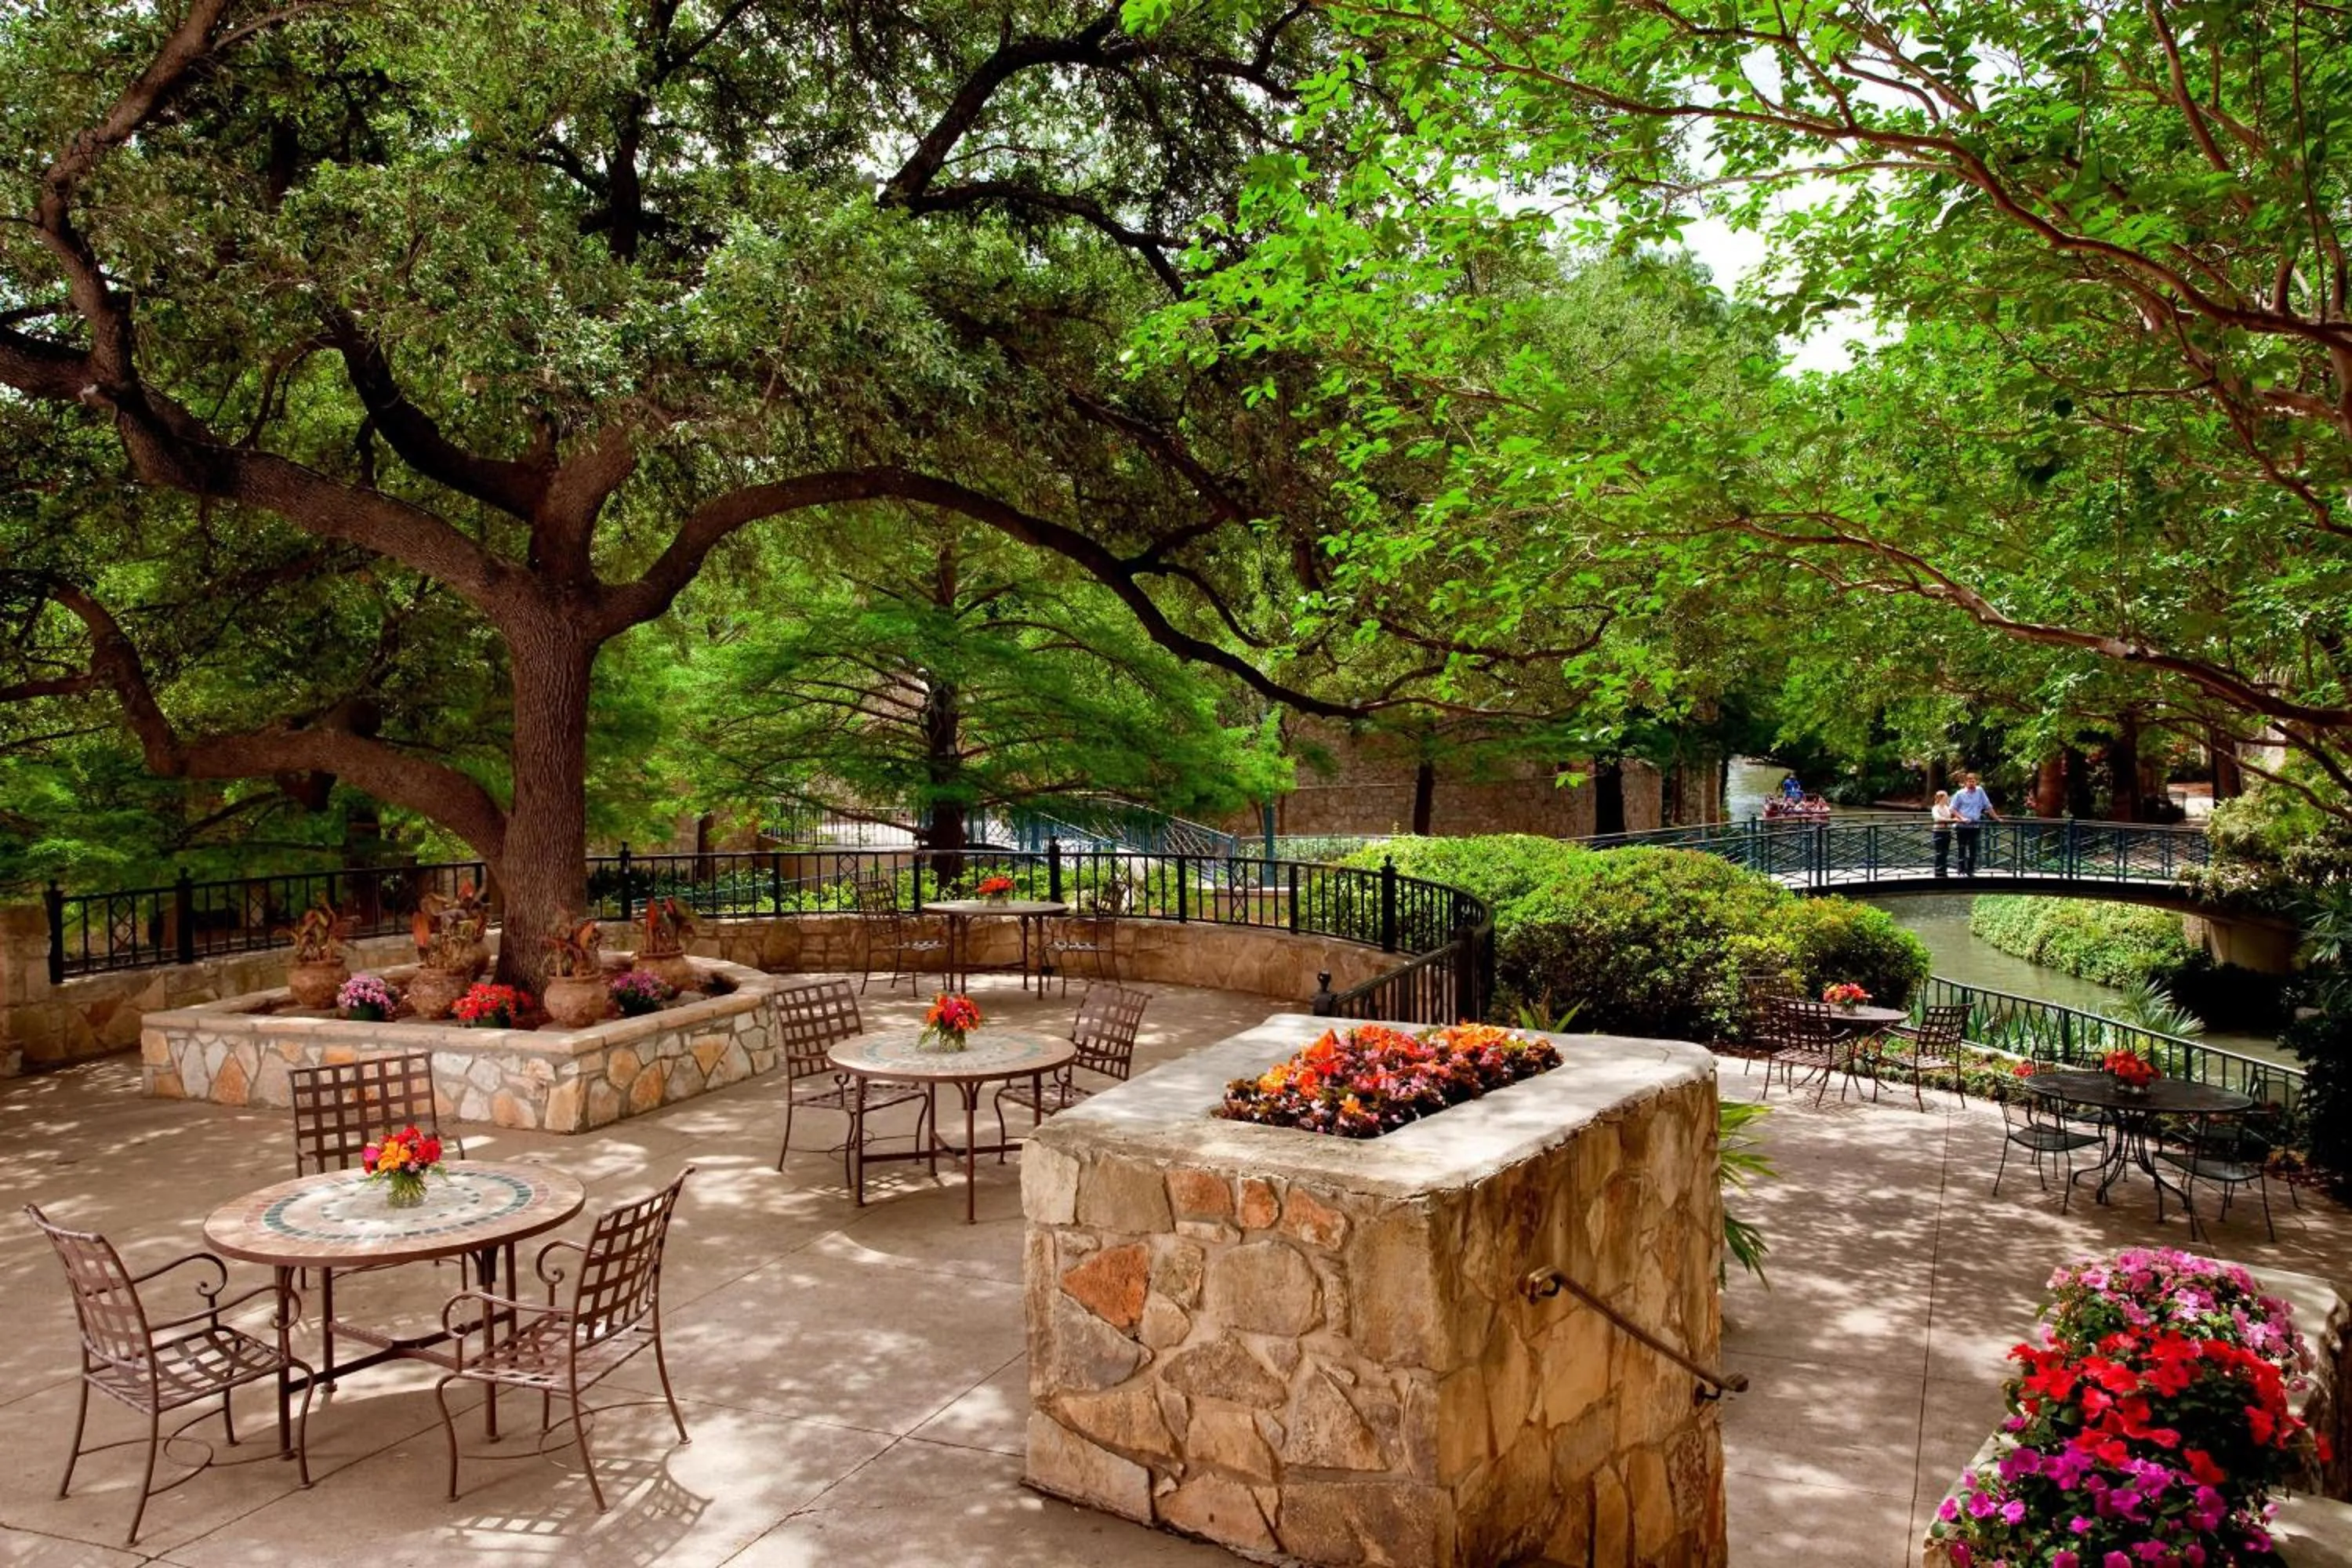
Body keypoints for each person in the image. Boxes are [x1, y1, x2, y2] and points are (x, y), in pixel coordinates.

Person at [1951, 772, 1998, 876]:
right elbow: (1952, 809)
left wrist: (1997, 818)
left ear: (1976, 782)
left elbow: (1988, 806)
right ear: (1965, 783)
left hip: (1975, 825)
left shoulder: (1980, 791)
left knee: (1974, 849)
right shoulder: (1959, 794)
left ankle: (1970, 870)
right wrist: (1961, 818)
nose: (1972, 783)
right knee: (1962, 848)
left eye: (1974, 781)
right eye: (1969, 781)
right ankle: (1961, 870)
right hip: (1962, 826)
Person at [1929, 789, 1955, 878]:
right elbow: (1938, 818)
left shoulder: (1947, 807)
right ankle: (1938, 872)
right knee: (1939, 852)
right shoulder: (1935, 808)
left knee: (1945, 852)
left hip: (1947, 832)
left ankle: (1944, 871)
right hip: (1938, 832)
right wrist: (1951, 820)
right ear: (1941, 798)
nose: (1947, 798)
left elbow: (1952, 814)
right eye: (1945, 797)